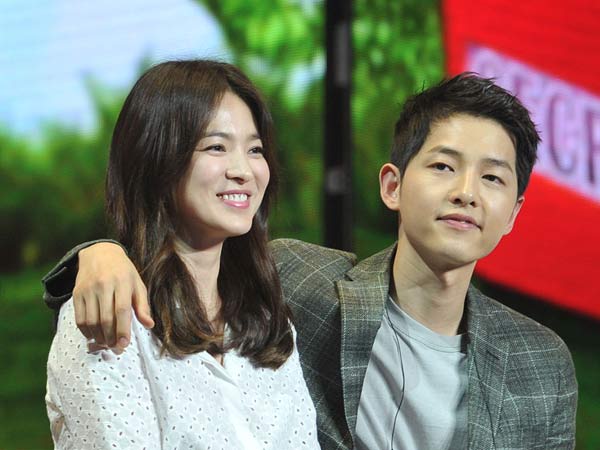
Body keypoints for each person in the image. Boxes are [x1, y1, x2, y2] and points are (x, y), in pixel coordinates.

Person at [43, 73, 578, 449]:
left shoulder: (542, 363)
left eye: (493, 177)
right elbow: (170, 261)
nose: (466, 193)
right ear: (392, 186)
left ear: (514, 212)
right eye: (443, 166)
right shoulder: (297, 283)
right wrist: (98, 253)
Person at [44, 59, 320, 449]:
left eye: (255, 149)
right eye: (216, 147)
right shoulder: (109, 312)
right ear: (158, 158)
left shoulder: (266, 320)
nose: (243, 170)